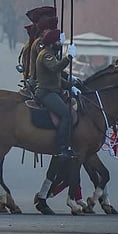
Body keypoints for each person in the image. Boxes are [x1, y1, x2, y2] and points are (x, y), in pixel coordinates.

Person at [34, 29, 77, 159]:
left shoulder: (51, 54)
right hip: (46, 92)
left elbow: (57, 78)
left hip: (54, 91)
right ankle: (61, 148)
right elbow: (55, 68)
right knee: (67, 115)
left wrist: (71, 86)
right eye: (58, 41)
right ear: (52, 43)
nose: (60, 43)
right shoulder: (46, 55)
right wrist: (68, 57)